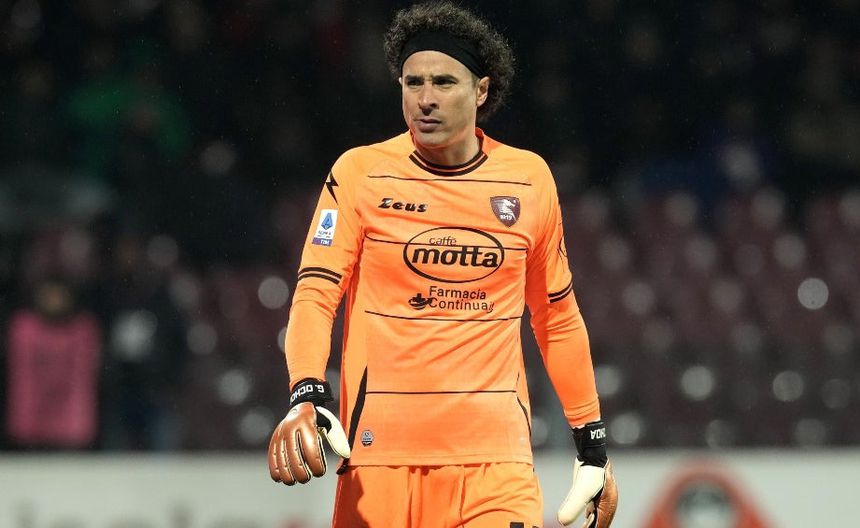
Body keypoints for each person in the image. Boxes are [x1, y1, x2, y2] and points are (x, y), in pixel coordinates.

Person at [268, 2, 618, 527]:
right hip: (379, 462)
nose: (425, 99)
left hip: (496, 466)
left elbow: (557, 318)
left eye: (444, 82)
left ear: (481, 90)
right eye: (413, 83)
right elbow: (316, 294)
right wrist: (307, 392)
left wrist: (592, 445)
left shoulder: (528, 179)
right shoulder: (360, 173)